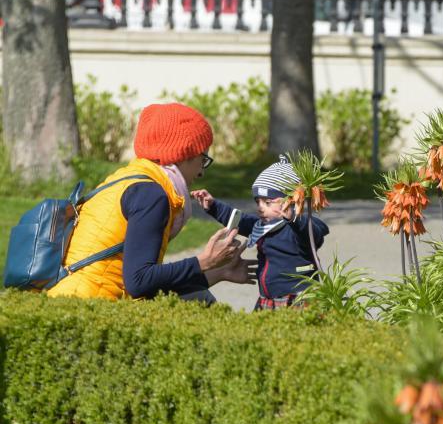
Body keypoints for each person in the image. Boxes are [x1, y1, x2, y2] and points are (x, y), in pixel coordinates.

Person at [48, 103, 255, 301]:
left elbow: (146, 282)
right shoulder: (152, 195)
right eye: (203, 159)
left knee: (196, 294)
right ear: (184, 153)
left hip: (75, 295)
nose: (201, 172)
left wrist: (218, 272)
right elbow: (139, 282)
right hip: (91, 304)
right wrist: (204, 261)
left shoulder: (130, 180)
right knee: (200, 299)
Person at [191, 155, 329, 310]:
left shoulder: (297, 228)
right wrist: (213, 206)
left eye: (268, 202)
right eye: (258, 202)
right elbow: (238, 219)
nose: (260, 207)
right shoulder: (262, 226)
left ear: (292, 201)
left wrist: (294, 219)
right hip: (268, 297)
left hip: (297, 298)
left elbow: (314, 234)